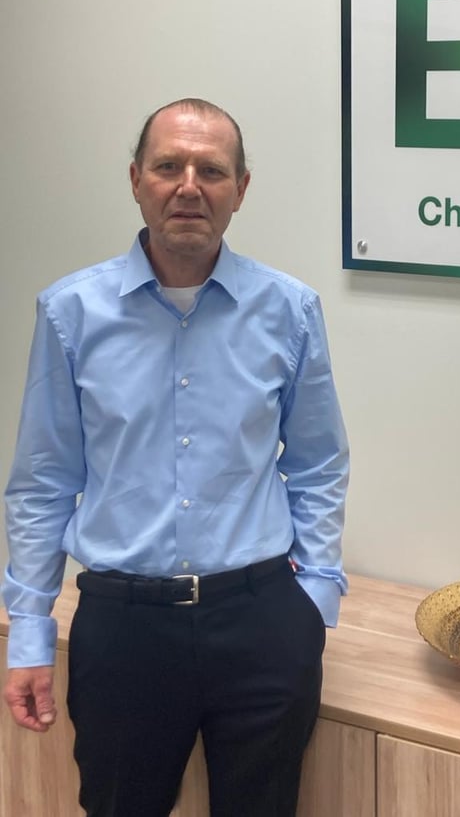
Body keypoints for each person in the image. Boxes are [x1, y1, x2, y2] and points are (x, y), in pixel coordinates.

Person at [2, 97, 349, 817]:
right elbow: (43, 482)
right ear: (137, 180)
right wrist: (29, 630)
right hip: (123, 628)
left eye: (211, 170)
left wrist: (315, 597)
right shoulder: (71, 313)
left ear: (240, 190)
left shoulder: (289, 310)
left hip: (262, 623)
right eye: (168, 166)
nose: (189, 186)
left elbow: (318, 462)